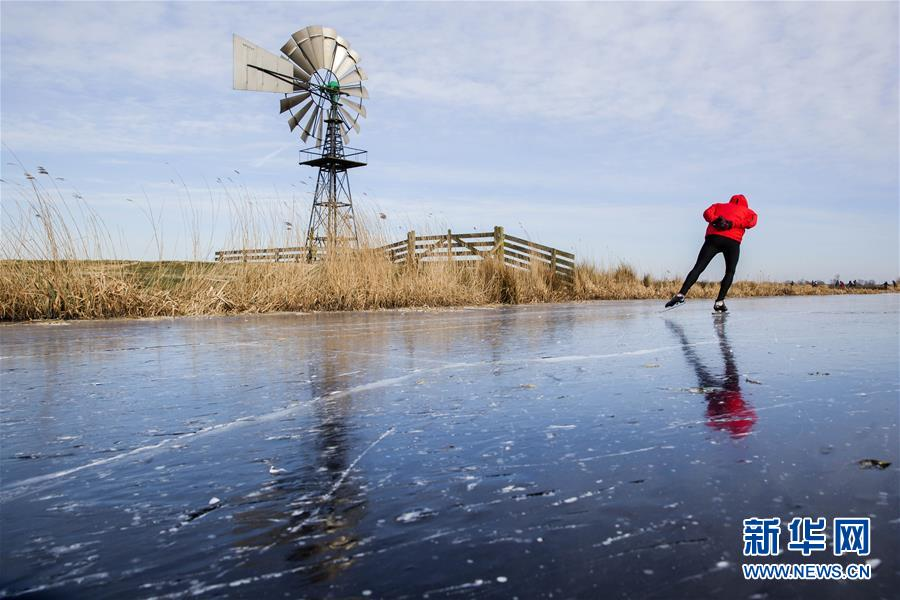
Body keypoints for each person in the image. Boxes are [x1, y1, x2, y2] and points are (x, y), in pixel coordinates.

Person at [665, 194, 758, 312]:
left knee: (698, 267)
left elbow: (706, 213)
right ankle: (719, 302)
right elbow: (751, 223)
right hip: (732, 242)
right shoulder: (750, 212)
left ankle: (681, 294)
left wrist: (715, 219)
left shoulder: (718, 206)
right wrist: (732, 224)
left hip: (713, 238)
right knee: (730, 271)